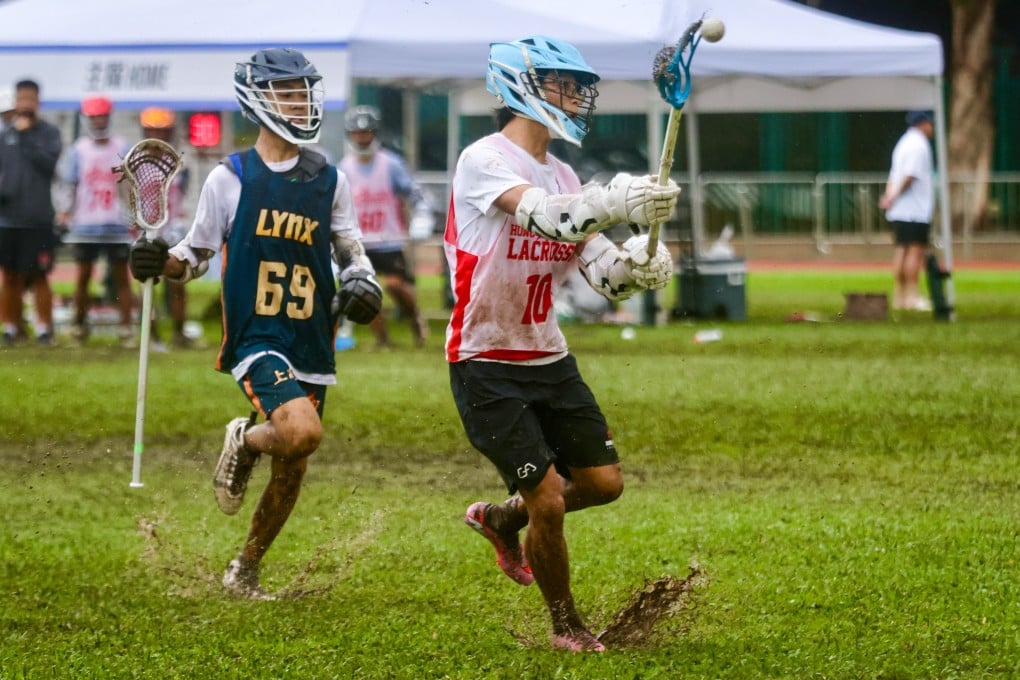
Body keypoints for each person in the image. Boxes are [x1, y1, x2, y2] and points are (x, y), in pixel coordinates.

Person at [448, 36, 679, 652]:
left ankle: (501, 517)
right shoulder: (482, 160)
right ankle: (566, 627)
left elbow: (602, 276)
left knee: (604, 484)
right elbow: (552, 217)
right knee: (548, 499)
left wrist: (638, 265)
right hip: (485, 360)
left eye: (577, 86)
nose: (575, 95)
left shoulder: (564, 174)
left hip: (548, 356)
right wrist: (616, 199)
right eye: (562, 84)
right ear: (516, 86)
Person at [127, 48, 382, 600]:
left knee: (293, 462)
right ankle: (243, 439)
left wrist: (364, 282)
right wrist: (157, 261)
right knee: (302, 432)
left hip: (310, 333)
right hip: (258, 335)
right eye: (287, 92)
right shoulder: (231, 177)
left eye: (303, 92)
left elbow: (350, 250)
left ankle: (244, 568)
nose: (300, 102)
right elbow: (192, 256)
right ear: (257, 99)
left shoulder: (330, 179)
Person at [339, 105, 433, 348]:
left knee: (394, 284)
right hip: (360, 241)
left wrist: (422, 218)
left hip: (389, 240)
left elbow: (415, 194)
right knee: (364, 291)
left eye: (366, 132)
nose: (362, 138)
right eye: (357, 133)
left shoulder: (391, 164)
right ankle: (383, 340)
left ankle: (416, 320)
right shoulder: (344, 168)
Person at [57, 95, 137, 346]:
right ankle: (78, 326)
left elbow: (130, 186)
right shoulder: (78, 149)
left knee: (122, 277)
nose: (98, 121)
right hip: (86, 223)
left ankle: (126, 329)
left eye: (102, 116)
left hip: (116, 222)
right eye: (94, 117)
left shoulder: (122, 147)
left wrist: (134, 215)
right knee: (83, 276)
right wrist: (65, 212)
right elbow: (70, 184)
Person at [0, 79, 63, 346]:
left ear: (38, 102)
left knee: (39, 275)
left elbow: (49, 166)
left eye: (30, 98)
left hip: (38, 219)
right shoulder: (5, 135)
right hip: (8, 219)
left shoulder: (49, 133)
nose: (25, 103)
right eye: (21, 98)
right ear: (15, 101)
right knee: (10, 275)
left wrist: (26, 138)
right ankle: (10, 327)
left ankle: (44, 328)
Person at [138, 106, 197, 350]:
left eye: (162, 131)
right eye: (153, 131)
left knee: (177, 281)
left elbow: (186, 192)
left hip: (173, 227)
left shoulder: (180, 161)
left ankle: (179, 332)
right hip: (146, 227)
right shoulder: (136, 161)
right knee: (147, 284)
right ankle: (151, 336)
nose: (158, 136)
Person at [879, 110, 935, 312]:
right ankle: (912, 296)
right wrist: (893, 197)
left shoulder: (902, 143)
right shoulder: (918, 144)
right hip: (915, 209)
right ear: (923, 123)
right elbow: (910, 175)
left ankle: (899, 297)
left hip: (901, 209)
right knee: (914, 251)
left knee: (901, 250)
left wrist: (889, 196)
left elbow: (894, 174)